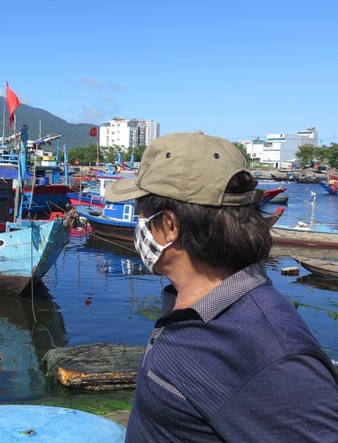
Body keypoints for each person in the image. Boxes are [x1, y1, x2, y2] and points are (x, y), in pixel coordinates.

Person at [106, 131, 338, 441]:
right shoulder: (196, 304)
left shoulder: (270, 352)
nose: (138, 222)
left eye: (142, 213)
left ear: (170, 226)